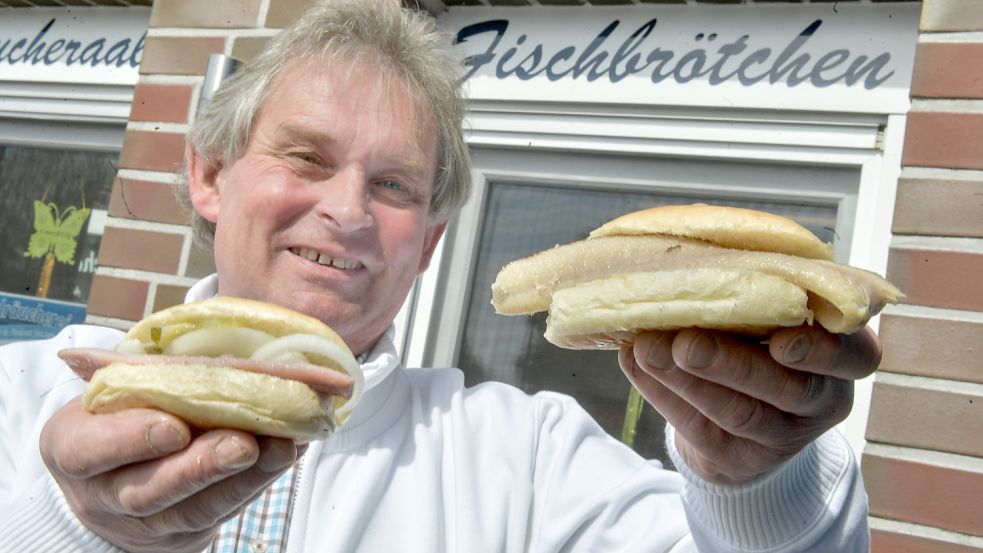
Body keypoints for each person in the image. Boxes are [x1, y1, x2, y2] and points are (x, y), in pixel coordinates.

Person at [0, 1, 878, 551]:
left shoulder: (526, 455)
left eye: (393, 185)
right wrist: (78, 533)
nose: (346, 209)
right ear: (206, 175)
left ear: (428, 240)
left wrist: (760, 481)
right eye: (305, 157)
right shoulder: (24, 393)